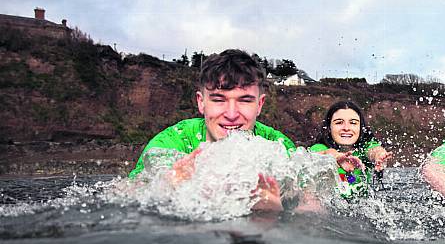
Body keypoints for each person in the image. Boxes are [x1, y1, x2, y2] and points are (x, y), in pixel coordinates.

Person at [128, 49, 295, 212]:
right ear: (201, 102)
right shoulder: (172, 142)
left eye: (244, 100)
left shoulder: (278, 146)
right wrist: (165, 188)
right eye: (218, 99)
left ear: (259, 104)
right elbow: (127, 193)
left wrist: (273, 213)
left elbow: (311, 204)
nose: (231, 114)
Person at [309, 101, 392, 198]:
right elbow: (325, 153)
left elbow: (374, 150)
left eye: (353, 123)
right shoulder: (319, 148)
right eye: (339, 122)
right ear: (328, 128)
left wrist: (379, 155)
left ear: (361, 128)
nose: (346, 128)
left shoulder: (364, 148)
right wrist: (336, 157)